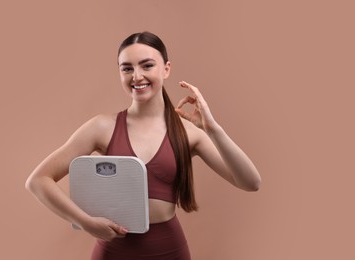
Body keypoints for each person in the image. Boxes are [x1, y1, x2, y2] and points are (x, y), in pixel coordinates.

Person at [25, 31, 261, 260]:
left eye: (147, 65)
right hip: (113, 252)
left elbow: (251, 182)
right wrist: (86, 222)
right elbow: (37, 181)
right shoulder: (101, 127)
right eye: (127, 68)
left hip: (169, 250)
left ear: (166, 69)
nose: (136, 76)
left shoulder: (189, 133)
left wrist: (213, 129)